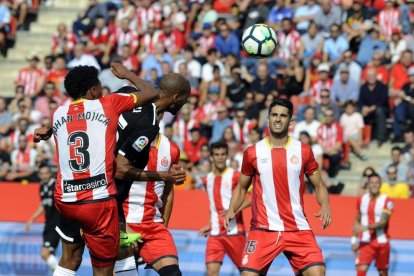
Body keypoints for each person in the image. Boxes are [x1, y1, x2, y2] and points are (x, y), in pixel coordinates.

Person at [33, 63, 159, 276]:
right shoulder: (108, 103)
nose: (103, 90)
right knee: (103, 269)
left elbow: (60, 129)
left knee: (69, 258)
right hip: (97, 202)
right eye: (100, 86)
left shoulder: (58, 113)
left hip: (65, 200)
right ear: (93, 90)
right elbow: (151, 93)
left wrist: (46, 131)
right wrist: (127, 75)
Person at [224, 98, 331, 276]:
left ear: (291, 121)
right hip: (263, 229)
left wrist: (325, 205)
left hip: (298, 229)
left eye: (283, 116)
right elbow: (242, 188)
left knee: (318, 272)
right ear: (268, 119)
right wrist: (231, 209)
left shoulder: (303, 150)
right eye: (274, 115)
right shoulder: (252, 152)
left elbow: (319, 185)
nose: (278, 119)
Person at [113, 74, 191, 275]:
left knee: (173, 273)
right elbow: (118, 173)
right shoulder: (124, 141)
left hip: (154, 225)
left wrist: (163, 224)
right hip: (125, 222)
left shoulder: (171, 149)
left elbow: (168, 193)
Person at [199, 142, 247, 276]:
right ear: (211, 157)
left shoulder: (236, 176)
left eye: (223, 154)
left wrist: (233, 209)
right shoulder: (206, 179)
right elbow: (212, 204)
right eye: (216, 154)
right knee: (211, 272)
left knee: (247, 272)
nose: (220, 157)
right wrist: (209, 224)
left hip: (234, 232)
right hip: (215, 235)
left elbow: (252, 197)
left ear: (227, 156)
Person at [352, 173, 394, 276]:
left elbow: (383, 223)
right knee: (360, 270)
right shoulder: (362, 199)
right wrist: (353, 240)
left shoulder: (387, 201)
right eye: (372, 182)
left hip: (382, 242)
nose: (374, 185)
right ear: (368, 185)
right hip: (366, 242)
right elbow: (357, 220)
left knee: (383, 272)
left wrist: (365, 228)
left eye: (377, 182)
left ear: (380, 184)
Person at [25, 165, 61, 273]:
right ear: (39, 175)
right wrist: (32, 219)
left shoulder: (56, 185)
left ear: (50, 173)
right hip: (48, 225)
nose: (44, 175)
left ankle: (62, 272)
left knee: (44, 253)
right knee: (51, 255)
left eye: (46, 173)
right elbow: (43, 205)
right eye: (42, 173)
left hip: (57, 224)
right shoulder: (42, 187)